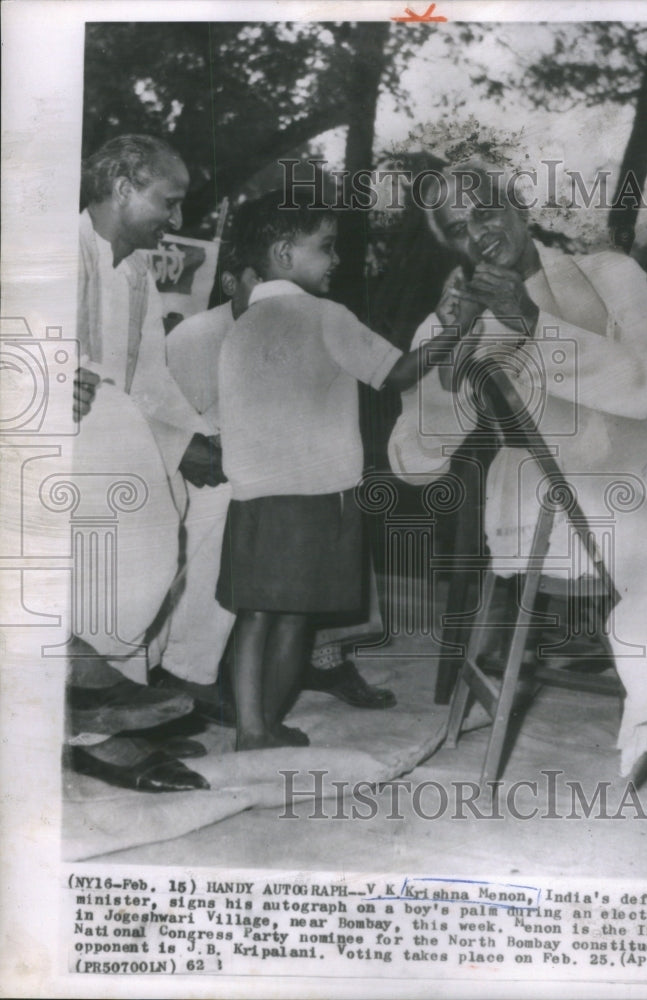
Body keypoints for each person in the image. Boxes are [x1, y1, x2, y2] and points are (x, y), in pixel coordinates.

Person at [387, 160, 647, 855]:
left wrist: (532, 324)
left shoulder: (608, 273)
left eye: (484, 211)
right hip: (551, 495)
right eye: (455, 229)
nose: (476, 234)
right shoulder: (452, 315)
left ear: (515, 202)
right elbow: (413, 461)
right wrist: (449, 343)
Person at [216, 191, 459, 750]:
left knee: (255, 614)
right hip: (317, 498)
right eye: (326, 247)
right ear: (283, 252)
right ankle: (265, 724)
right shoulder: (327, 316)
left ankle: (253, 727)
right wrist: (452, 331)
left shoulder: (244, 325)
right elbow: (397, 373)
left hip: (252, 496)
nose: (337, 259)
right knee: (295, 619)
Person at [160, 236, 396, 713]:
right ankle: (193, 670)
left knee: (332, 499)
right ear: (234, 281)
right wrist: (194, 447)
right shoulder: (199, 334)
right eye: (262, 280)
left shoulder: (309, 318)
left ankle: (321, 656)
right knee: (234, 512)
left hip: (294, 473)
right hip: (214, 473)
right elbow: (169, 419)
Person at [68, 134, 226, 791]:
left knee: (224, 492)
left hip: (111, 431)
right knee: (137, 505)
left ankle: (162, 679)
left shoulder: (133, 271)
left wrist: (195, 439)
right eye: (171, 201)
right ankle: (93, 712)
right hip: (40, 440)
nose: (178, 221)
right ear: (123, 184)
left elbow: (154, 386)